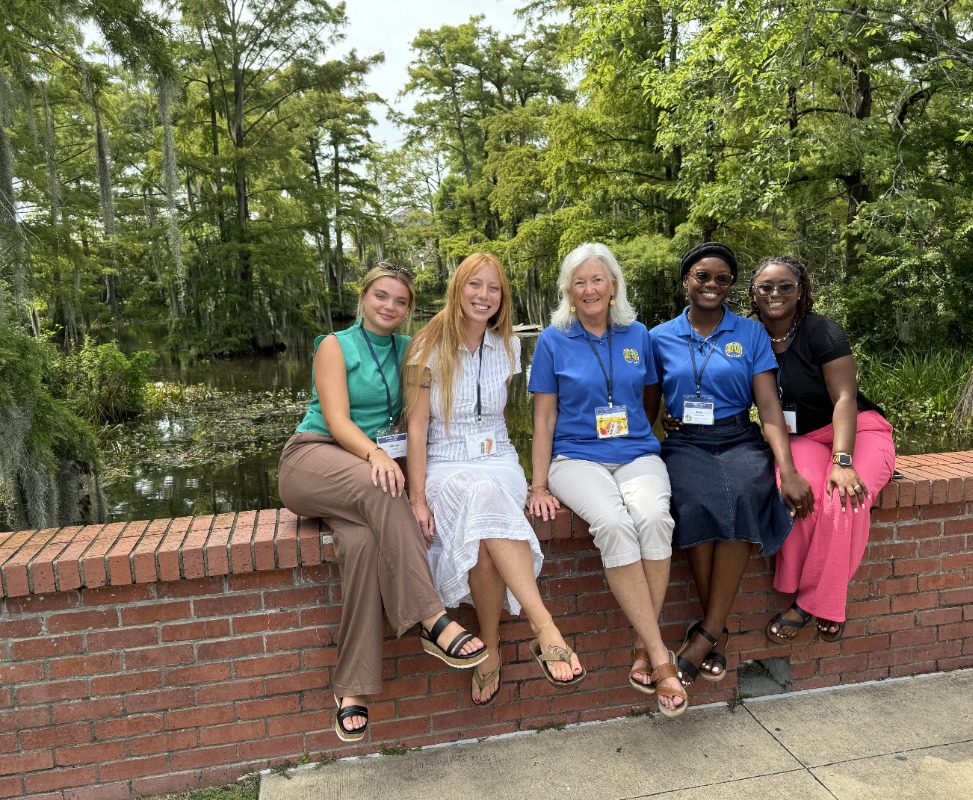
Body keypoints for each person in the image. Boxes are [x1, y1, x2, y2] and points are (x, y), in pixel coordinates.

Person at [277, 263, 488, 744]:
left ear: (410, 308)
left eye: (400, 301)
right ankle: (432, 618)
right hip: (315, 458)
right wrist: (377, 456)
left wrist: (420, 492)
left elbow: (418, 421)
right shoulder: (336, 345)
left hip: (362, 479)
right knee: (382, 487)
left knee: (364, 547)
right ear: (363, 297)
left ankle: (351, 689)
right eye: (381, 296)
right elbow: (335, 418)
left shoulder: (411, 350)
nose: (389, 307)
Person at [405, 253, 584, 706]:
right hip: (445, 463)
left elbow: (500, 415)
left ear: (502, 297)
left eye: (494, 288)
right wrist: (417, 499)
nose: (484, 296)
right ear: (457, 288)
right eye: (475, 285)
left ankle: (491, 647)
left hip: (498, 458)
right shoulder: (425, 346)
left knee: (486, 532)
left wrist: (529, 478)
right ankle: (544, 628)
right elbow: (417, 428)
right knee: (481, 504)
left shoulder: (508, 345)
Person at [528, 242, 687, 718]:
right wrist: (538, 486)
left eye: (598, 279)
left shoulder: (638, 333)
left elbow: (649, 399)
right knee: (614, 525)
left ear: (614, 286)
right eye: (580, 282)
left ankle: (642, 646)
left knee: (655, 517)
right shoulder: (553, 340)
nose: (590, 288)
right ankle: (660, 656)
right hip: (576, 459)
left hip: (637, 453)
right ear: (568, 292)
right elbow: (543, 420)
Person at [646, 242, 814, 687]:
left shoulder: (750, 334)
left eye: (722, 278)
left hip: (739, 437)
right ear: (686, 281)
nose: (712, 285)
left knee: (745, 494)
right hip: (686, 443)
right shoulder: (659, 337)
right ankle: (714, 632)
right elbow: (645, 410)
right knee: (694, 502)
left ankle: (705, 637)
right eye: (703, 276)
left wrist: (790, 468)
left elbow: (769, 408)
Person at [749, 255, 896, 643]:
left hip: (857, 429)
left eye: (786, 286)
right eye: (766, 286)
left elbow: (845, 397)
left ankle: (813, 603)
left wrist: (843, 461)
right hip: (802, 437)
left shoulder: (821, 331)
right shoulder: (748, 337)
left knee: (845, 495)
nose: (775, 293)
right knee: (800, 494)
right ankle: (823, 596)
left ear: (801, 291)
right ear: (753, 293)